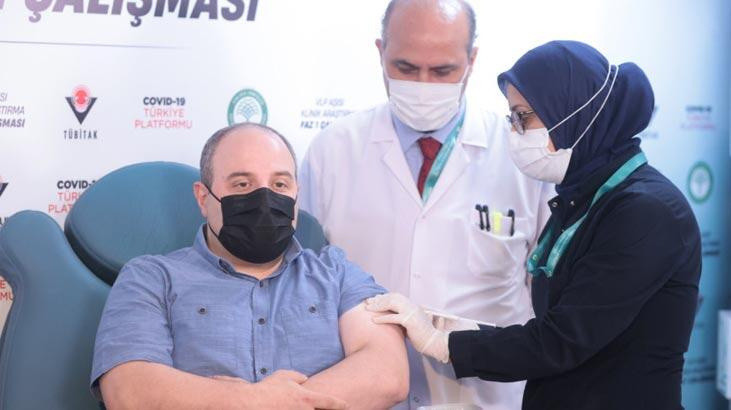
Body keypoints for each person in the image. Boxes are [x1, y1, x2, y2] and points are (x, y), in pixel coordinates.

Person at [366, 40, 702, 410]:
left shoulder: (646, 211)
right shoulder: (582, 197)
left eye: (523, 117)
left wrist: (444, 344)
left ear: (572, 113)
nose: (514, 130)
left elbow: (564, 340)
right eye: (512, 117)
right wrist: (454, 330)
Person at [299, 0, 552, 408]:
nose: (423, 84)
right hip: (363, 394)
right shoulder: (332, 151)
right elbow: (302, 283)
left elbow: (549, 292)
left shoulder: (522, 156)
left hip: (487, 396)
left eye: (443, 71)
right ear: (380, 52)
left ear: (472, 60)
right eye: (405, 67)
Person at [91, 123, 409, 410]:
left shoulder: (336, 272)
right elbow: (129, 391)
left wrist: (257, 402)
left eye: (280, 184)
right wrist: (256, 400)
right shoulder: (150, 278)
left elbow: (387, 373)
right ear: (203, 198)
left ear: (296, 195)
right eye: (242, 184)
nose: (265, 199)